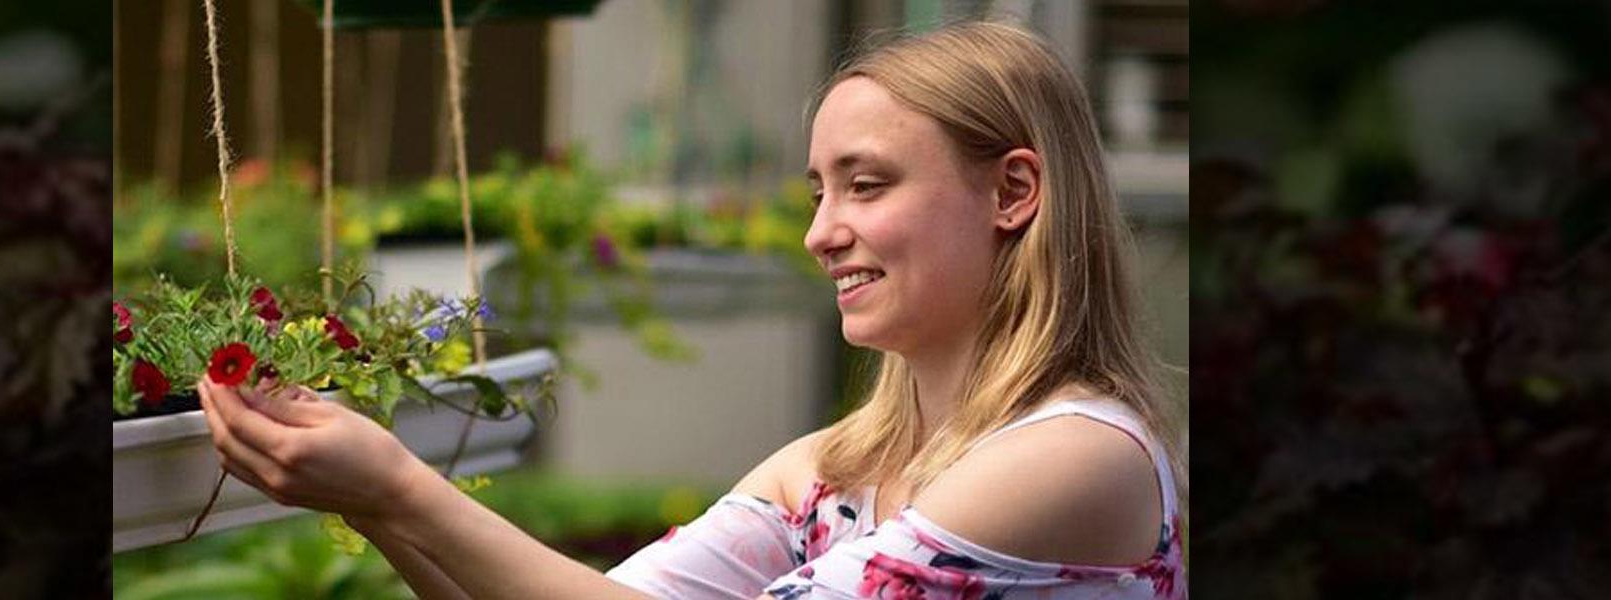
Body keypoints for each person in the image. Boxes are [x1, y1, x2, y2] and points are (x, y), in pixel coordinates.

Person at [196, 20, 1186, 600]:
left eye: (867, 185)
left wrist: (399, 487)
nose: (821, 233)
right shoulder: (838, 465)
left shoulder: (1079, 456)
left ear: (1015, 194)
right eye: (816, 194)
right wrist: (368, 498)